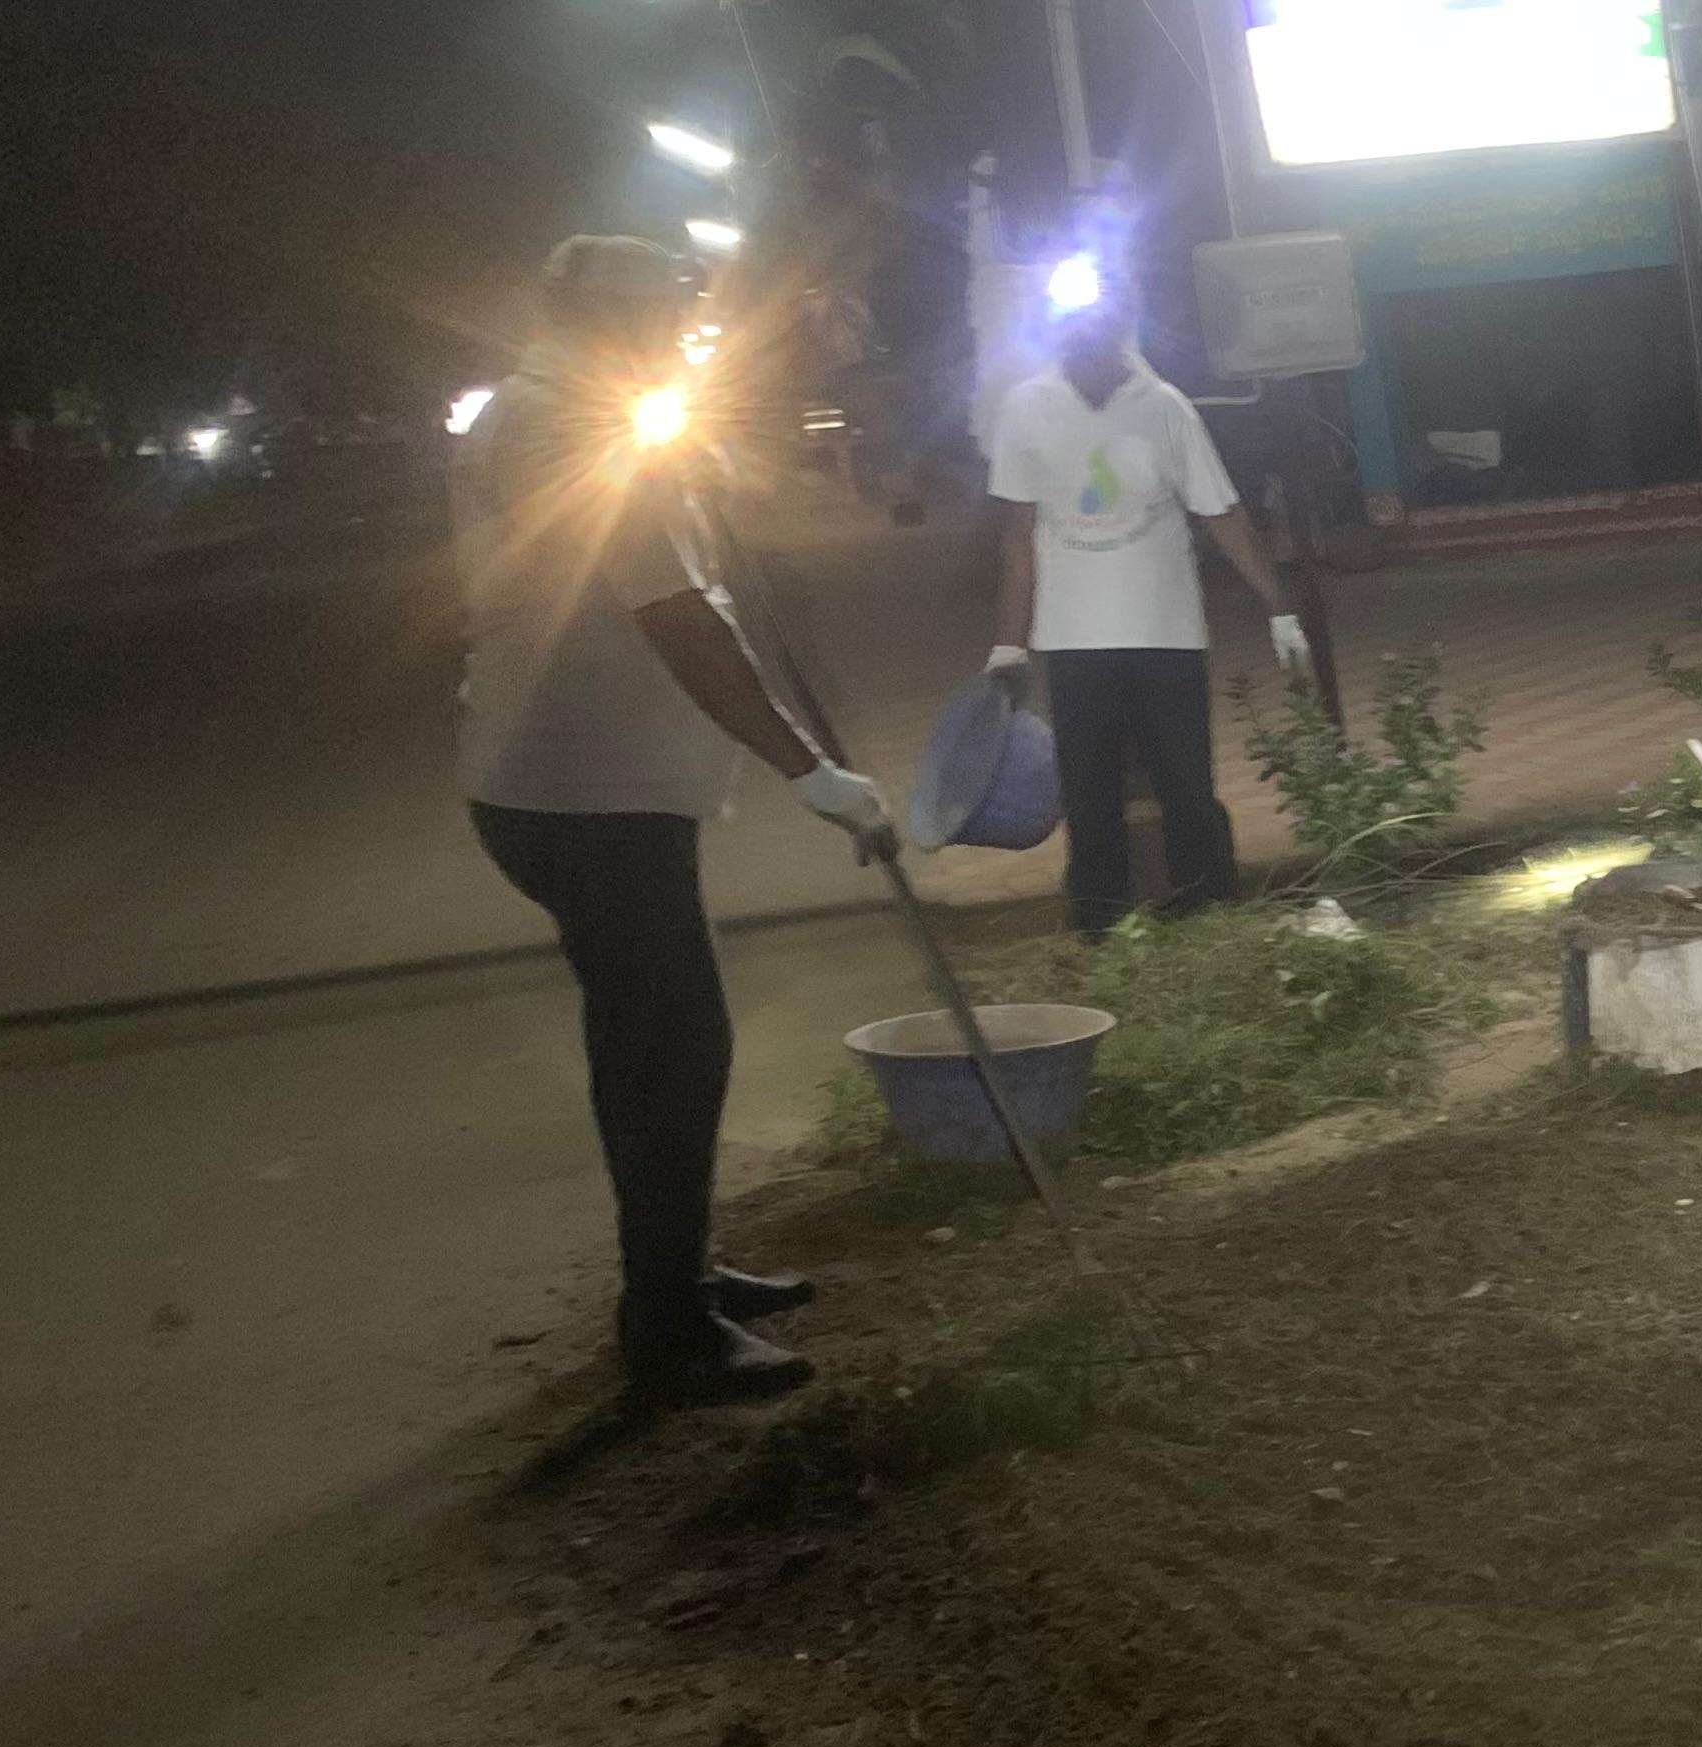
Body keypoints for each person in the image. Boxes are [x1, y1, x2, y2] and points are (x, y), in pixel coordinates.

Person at [456, 236, 897, 1404]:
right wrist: (810, 775)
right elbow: (678, 619)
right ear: (613, 318)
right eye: (666, 320)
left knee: (646, 1040)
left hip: (582, 784)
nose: (679, 340)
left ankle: (677, 1273)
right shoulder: (564, 423)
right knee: (675, 1046)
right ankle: (666, 1327)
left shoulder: (564, 408)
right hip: (583, 791)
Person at [982, 274, 1305, 937]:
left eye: (1102, 322)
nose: (1089, 338)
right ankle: (1101, 930)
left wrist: (1280, 607)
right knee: (1088, 797)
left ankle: (1209, 921)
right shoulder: (1027, 408)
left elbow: (1222, 513)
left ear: (1122, 326)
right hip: (1071, 639)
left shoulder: (1163, 407)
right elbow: (1016, 535)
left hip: (1166, 632)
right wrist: (1008, 646)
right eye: (1077, 325)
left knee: (1188, 789)